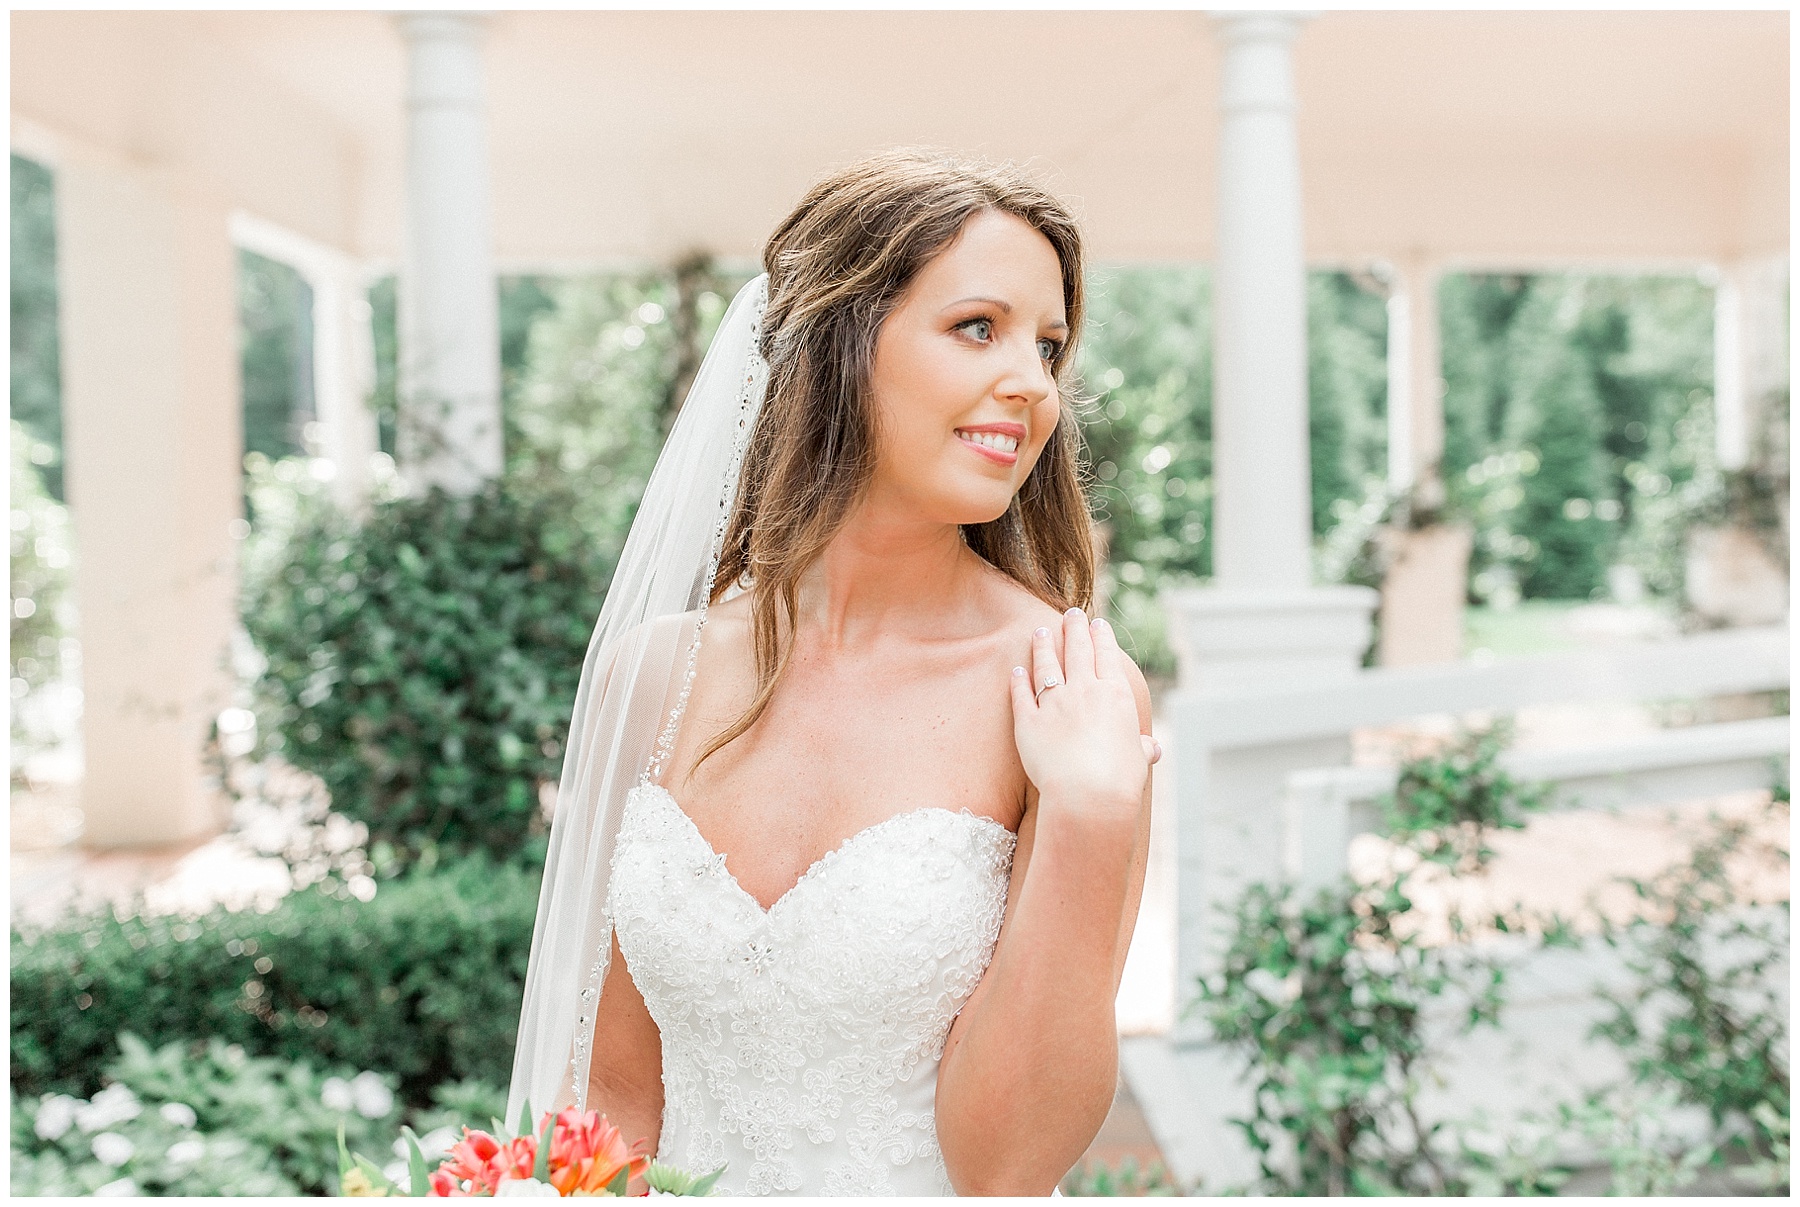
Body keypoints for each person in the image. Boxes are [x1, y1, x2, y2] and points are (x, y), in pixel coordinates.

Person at [509, 148, 1159, 1197]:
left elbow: (1007, 1164)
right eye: (978, 328)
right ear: (837, 347)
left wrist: (1090, 813)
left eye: (1050, 346)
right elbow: (614, 1101)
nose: (1032, 384)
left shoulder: (1065, 694)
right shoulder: (653, 679)